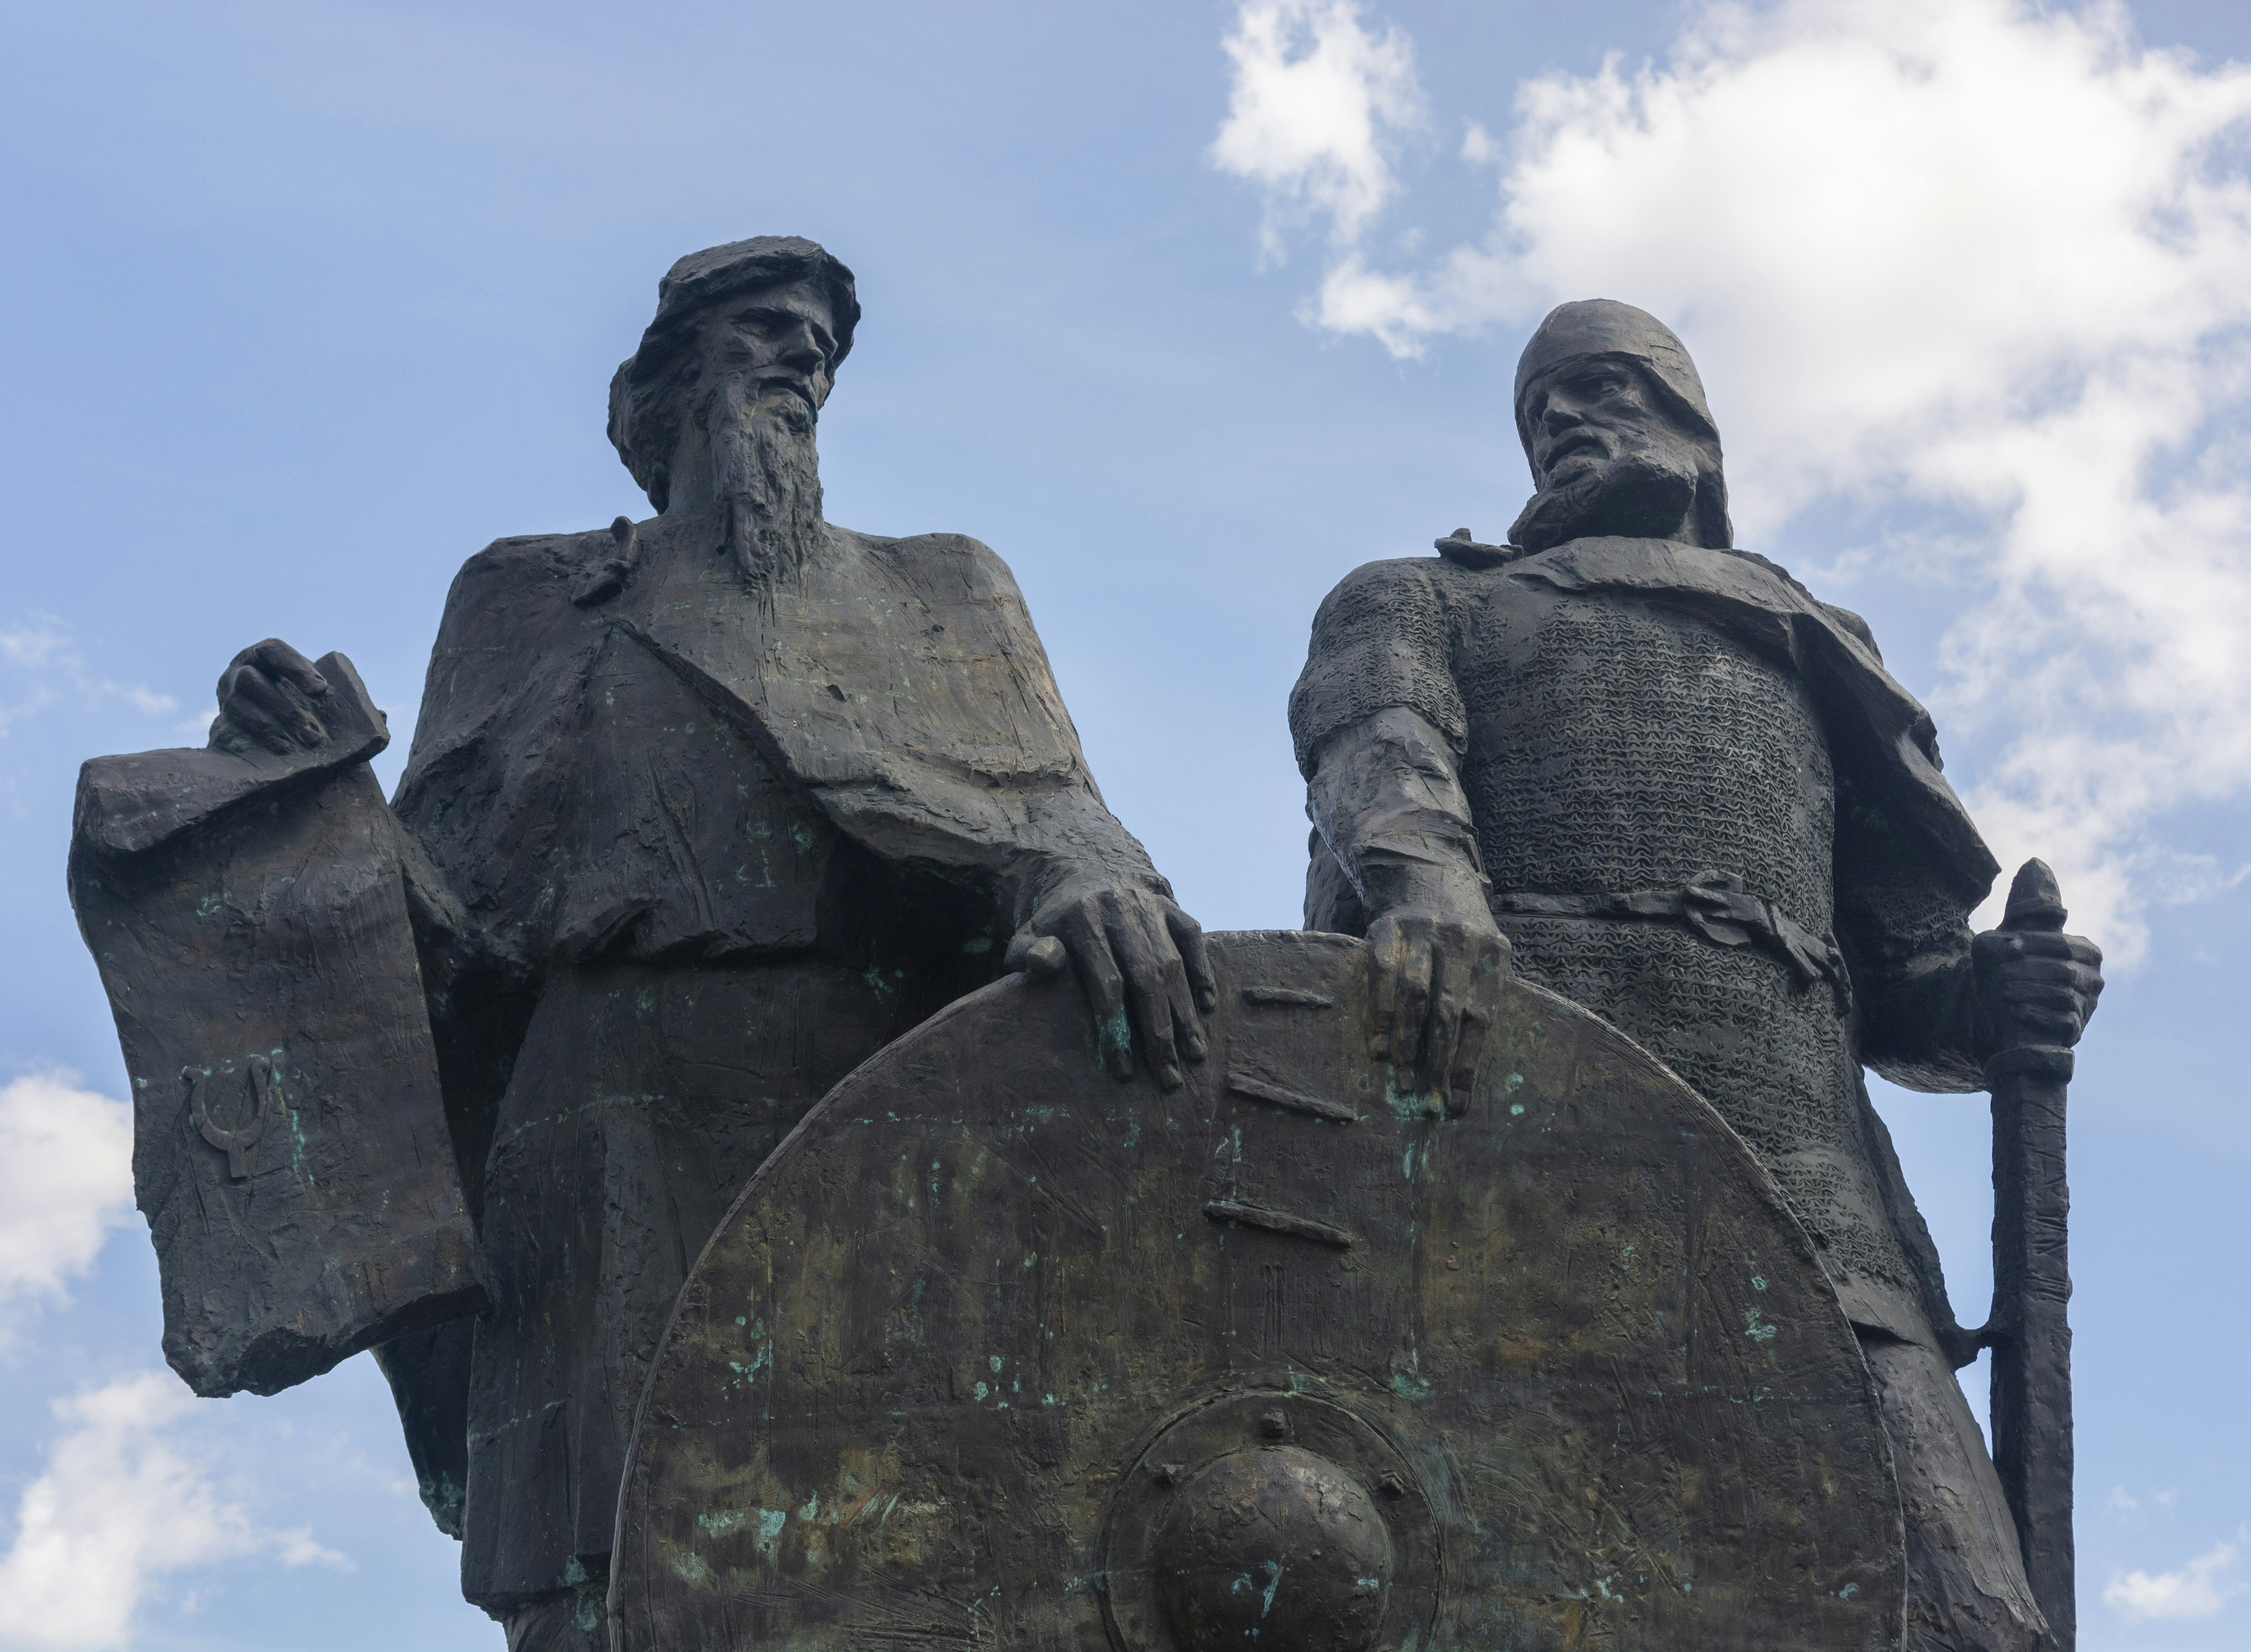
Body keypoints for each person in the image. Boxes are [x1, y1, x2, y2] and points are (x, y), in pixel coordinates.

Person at [208, 237, 1213, 1649]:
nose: (803, 354)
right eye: (763, 330)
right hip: (596, 1122)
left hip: (874, 1108)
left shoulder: (943, 588)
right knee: (602, 1585)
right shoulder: (519, 598)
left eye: (820, 341)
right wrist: (325, 796)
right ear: (664, 388)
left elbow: (1057, 816)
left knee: (921, 1560)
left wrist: (1093, 879)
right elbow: (443, 940)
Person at [1288, 299, 2103, 1652]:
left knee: (1964, 1608)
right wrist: (1429, 886)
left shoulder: (1811, 644)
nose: (1561, 419)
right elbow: (1381, 751)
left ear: (1689, 421)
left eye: (1600, 385)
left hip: (1807, 1194)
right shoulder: (1421, 600)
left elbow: (1904, 986)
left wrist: (1991, 997)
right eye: (1539, 405)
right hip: (1509, 1149)